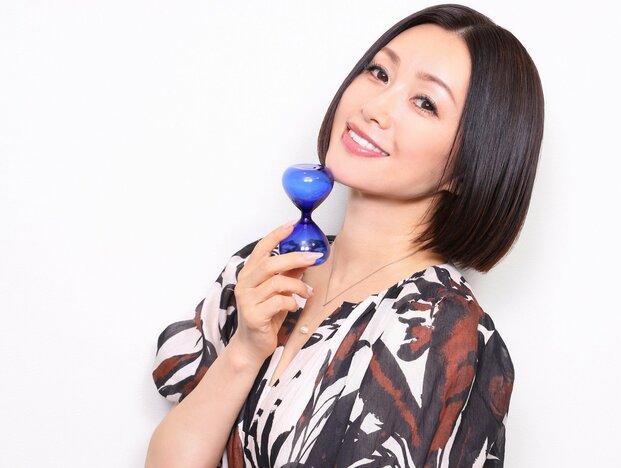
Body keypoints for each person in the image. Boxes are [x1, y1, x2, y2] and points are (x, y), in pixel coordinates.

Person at [145, 3, 543, 467]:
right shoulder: (266, 268)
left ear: (470, 164)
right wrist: (244, 353)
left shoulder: (444, 330)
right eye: (379, 73)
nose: (374, 107)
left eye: (425, 103)